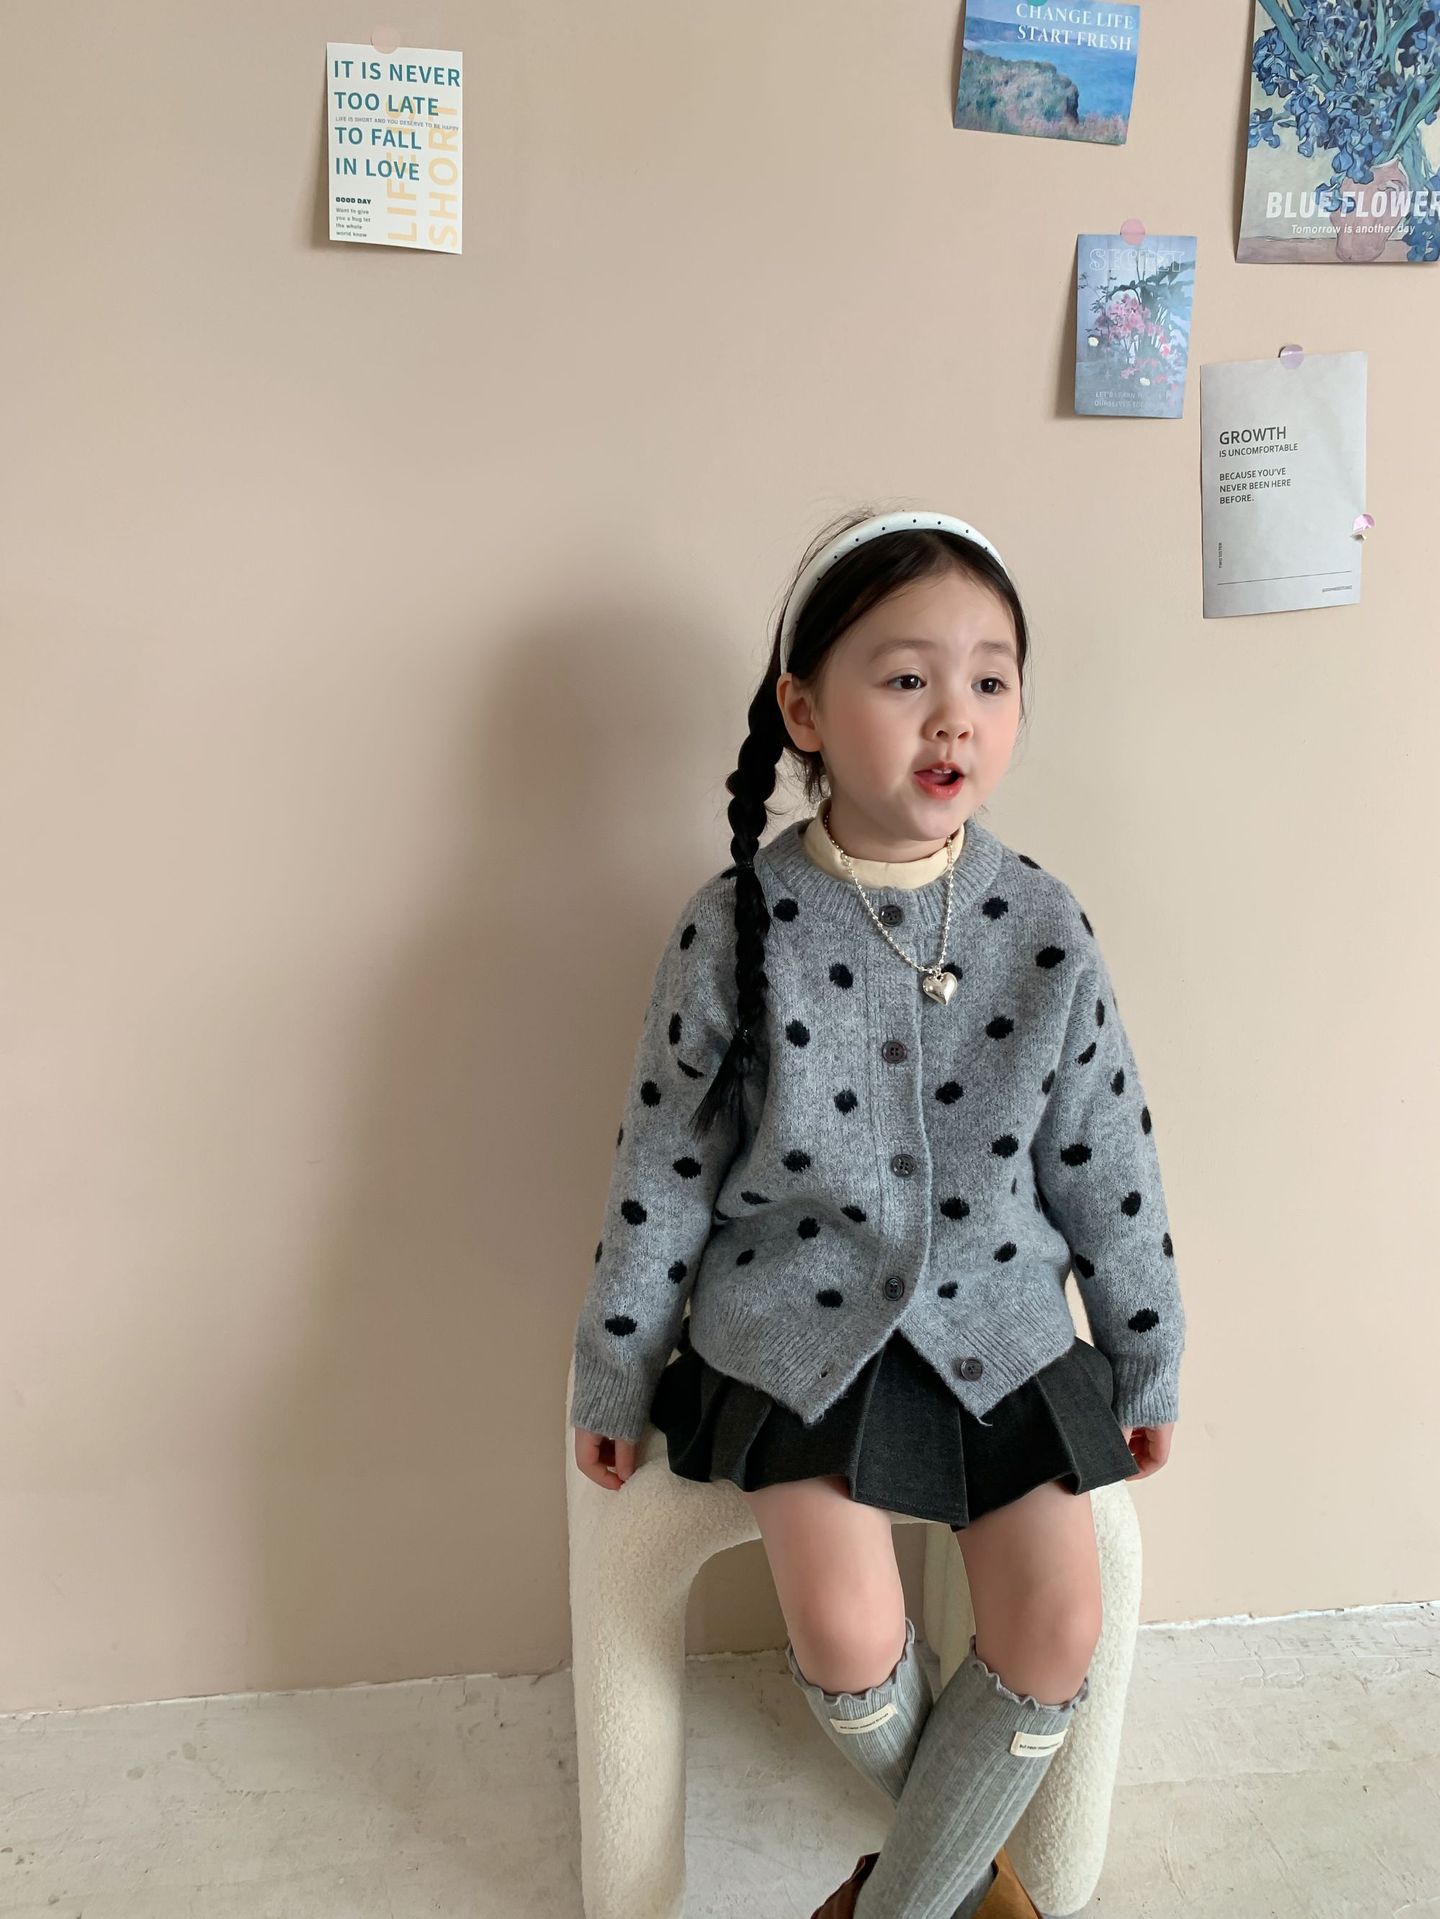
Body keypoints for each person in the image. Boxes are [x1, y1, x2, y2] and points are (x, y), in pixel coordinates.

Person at [569, 506, 1186, 1919]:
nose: (953, 715)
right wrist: (615, 1365)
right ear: (805, 711)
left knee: (1061, 1621)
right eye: (907, 677)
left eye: (991, 679)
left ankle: (893, 1904)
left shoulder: (1045, 926)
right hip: (795, 1335)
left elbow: (1110, 1160)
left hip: (1006, 1328)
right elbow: (662, 1167)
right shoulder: (732, 927)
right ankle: (973, 1895)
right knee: (849, 1635)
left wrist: (1145, 1350)